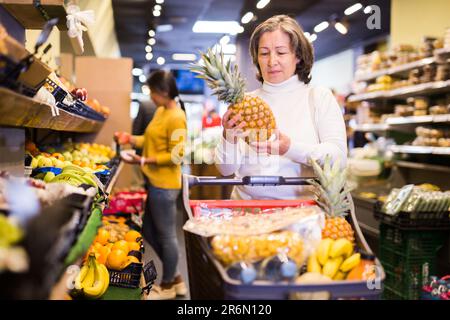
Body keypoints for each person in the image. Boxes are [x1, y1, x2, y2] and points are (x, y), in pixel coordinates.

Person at [215, 15, 347, 200]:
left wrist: (290, 148)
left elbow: (339, 160)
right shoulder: (245, 103)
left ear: (298, 56)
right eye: (264, 53)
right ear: (256, 58)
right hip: (246, 215)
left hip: (302, 218)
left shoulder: (318, 97)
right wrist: (228, 137)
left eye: (281, 52)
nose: (272, 61)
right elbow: (226, 169)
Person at [114, 70, 187, 300]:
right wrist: (130, 139)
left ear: (164, 92)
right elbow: (150, 138)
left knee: (166, 236)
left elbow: (177, 155)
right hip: (154, 182)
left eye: (153, 93)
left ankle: (168, 285)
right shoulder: (162, 111)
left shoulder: (176, 116)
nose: (151, 97)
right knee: (147, 230)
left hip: (165, 186)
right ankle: (175, 278)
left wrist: (144, 159)